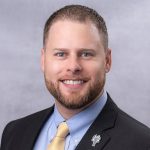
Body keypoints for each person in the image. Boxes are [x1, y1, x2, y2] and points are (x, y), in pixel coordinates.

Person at [1, 4, 150, 150]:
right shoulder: (14, 133)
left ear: (107, 60)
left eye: (86, 54)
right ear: (43, 60)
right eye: (61, 54)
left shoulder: (142, 143)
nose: (73, 67)